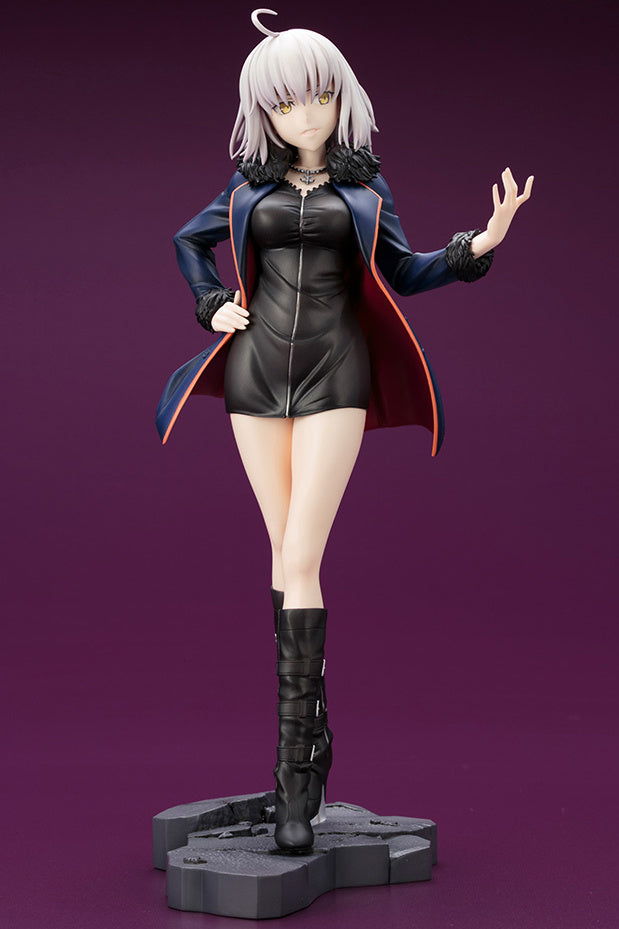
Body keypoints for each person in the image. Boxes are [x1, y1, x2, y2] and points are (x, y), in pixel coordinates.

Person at [156, 8, 533, 854]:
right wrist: (210, 303)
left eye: (319, 97)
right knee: (283, 553)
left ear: (341, 98)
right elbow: (187, 242)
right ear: (264, 111)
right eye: (286, 102)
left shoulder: (366, 193)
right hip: (255, 375)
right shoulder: (245, 190)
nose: (305, 115)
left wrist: (477, 243)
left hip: (337, 376)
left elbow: (404, 270)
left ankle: (295, 776)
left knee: (299, 555)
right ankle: (309, 751)